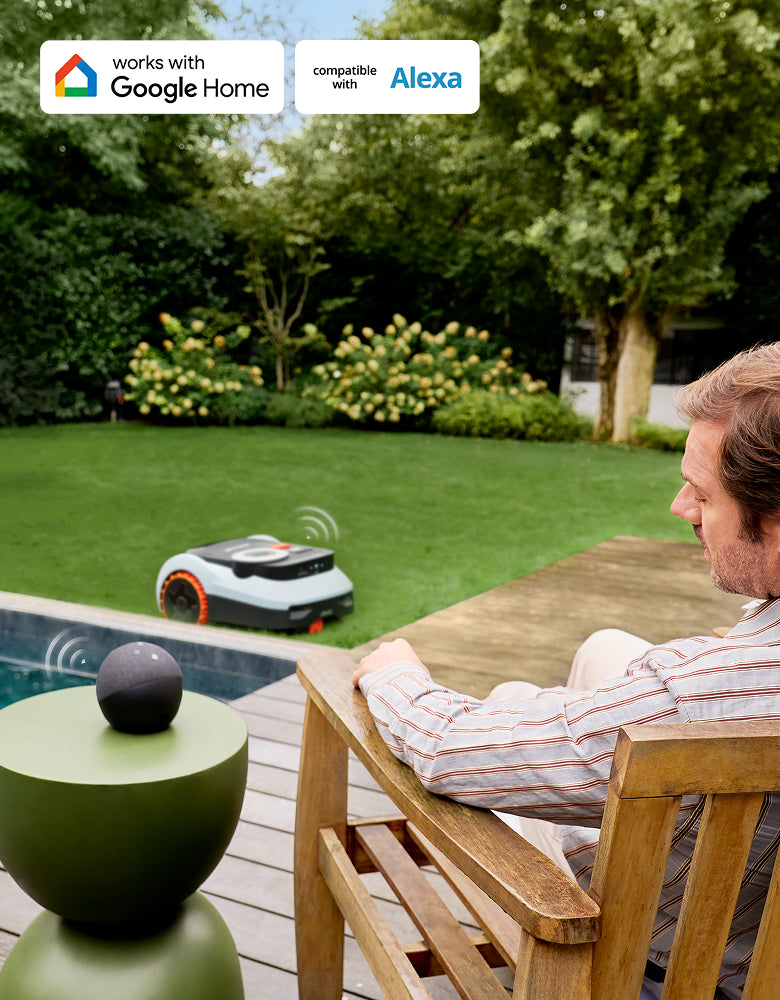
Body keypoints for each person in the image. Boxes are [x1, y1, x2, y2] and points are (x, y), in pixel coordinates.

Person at [352, 343, 780, 1000]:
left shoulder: (706, 691)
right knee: (603, 648)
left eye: (702, 493)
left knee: (510, 701)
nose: (680, 509)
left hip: (682, 958)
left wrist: (395, 675)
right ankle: (569, 727)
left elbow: (449, 749)